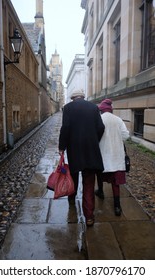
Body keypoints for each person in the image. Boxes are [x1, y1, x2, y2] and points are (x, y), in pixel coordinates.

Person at [58, 89, 105, 226]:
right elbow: (101, 127)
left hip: (74, 149)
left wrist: (62, 147)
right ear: (83, 97)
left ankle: (72, 199)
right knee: (89, 183)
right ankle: (89, 216)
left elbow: (65, 128)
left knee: (73, 176)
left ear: (73, 98)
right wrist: (94, 140)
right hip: (91, 150)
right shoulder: (93, 107)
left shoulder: (68, 108)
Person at [95, 98, 130, 216]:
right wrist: (117, 140)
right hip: (116, 154)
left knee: (100, 174)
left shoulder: (99, 119)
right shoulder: (118, 119)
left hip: (103, 152)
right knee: (116, 182)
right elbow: (125, 135)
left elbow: (95, 136)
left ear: (102, 110)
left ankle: (100, 191)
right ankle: (117, 206)